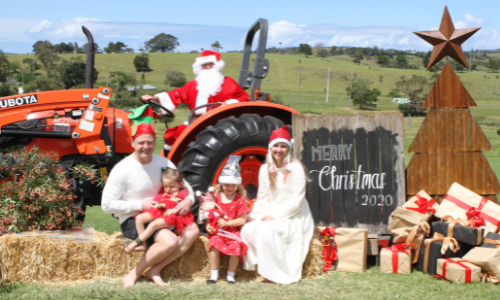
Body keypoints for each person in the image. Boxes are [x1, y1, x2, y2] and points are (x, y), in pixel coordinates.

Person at [101, 105, 199, 287]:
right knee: (169, 241)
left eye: (150, 142)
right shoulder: (122, 169)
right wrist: (139, 205)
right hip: (134, 218)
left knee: (193, 230)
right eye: (141, 142)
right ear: (132, 143)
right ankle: (134, 273)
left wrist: (188, 200)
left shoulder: (165, 163)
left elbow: (186, 188)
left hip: (164, 214)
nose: (146, 147)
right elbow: (106, 205)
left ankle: (155, 269)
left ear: (155, 142)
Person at [241, 125, 314, 285]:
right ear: (270, 147)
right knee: (248, 230)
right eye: (276, 145)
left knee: (268, 230)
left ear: (288, 148)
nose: (278, 150)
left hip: (294, 213)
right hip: (272, 210)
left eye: (283, 146)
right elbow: (264, 198)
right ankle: (264, 267)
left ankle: (276, 275)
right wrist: (254, 216)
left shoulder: (296, 168)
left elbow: (297, 201)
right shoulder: (264, 169)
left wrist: (275, 216)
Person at [140, 50, 250, 151]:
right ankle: (171, 167)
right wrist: (155, 98)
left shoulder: (228, 83)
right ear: (200, 67)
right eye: (204, 65)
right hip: (196, 124)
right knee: (171, 135)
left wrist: (228, 104)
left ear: (217, 65)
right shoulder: (192, 85)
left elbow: (245, 99)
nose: (207, 67)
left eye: (210, 64)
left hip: (221, 126)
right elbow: (177, 94)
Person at [124, 168, 194, 254]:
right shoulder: (163, 192)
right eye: (165, 186)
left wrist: (172, 210)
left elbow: (181, 207)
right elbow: (157, 200)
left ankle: (136, 243)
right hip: (159, 211)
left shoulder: (182, 193)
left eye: (172, 187)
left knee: (153, 224)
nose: (168, 189)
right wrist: (157, 205)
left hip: (172, 216)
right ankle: (143, 244)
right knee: (139, 218)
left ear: (180, 184)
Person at [205, 156, 249, 285]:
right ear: (221, 184)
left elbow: (242, 220)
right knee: (214, 243)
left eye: (233, 185)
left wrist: (227, 223)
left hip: (232, 232)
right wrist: (208, 226)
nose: (229, 188)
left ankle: (231, 275)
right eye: (226, 185)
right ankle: (214, 274)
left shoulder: (240, 199)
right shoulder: (216, 198)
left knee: (236, 247)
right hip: (218, 231)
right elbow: (210, 216)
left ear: (237, 185)